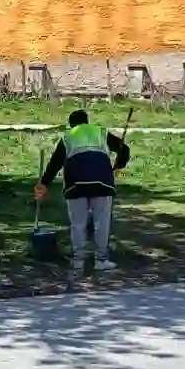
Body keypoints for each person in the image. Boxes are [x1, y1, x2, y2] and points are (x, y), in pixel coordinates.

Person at [35, 109, 131, 273]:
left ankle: (78, 261)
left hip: (75, 184)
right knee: (101, 223)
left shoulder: (68, 136)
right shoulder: (100, 132)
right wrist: (117, 166)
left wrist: (43, 184)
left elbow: (55, 163)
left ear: (71, 124)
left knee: (78, 224)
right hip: (102, 183)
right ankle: (101, 261)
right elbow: (125, 149)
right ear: (87, 121)